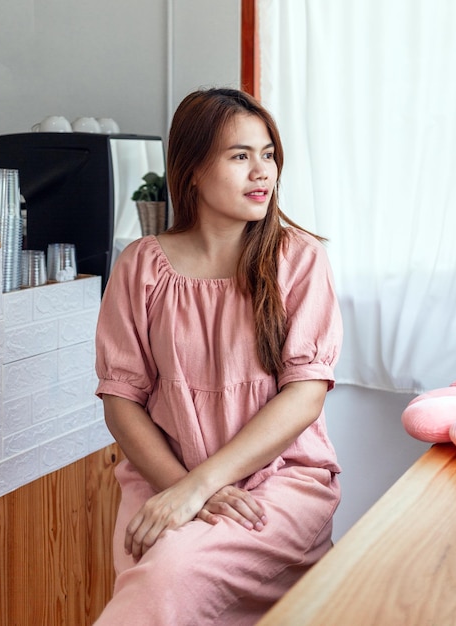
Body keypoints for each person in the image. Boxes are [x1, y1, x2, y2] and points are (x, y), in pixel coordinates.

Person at [93, 87, 343, 625]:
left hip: (278, 483)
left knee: (166, 579)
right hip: (162, 478)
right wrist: (181, 489)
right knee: (155, 574)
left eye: (268, 154)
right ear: (193, 171)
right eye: (240, 156)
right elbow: (121, 402)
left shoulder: (298, 259)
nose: (262, 172)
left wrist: (200, 488)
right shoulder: (141, 267)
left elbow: (306, 396)